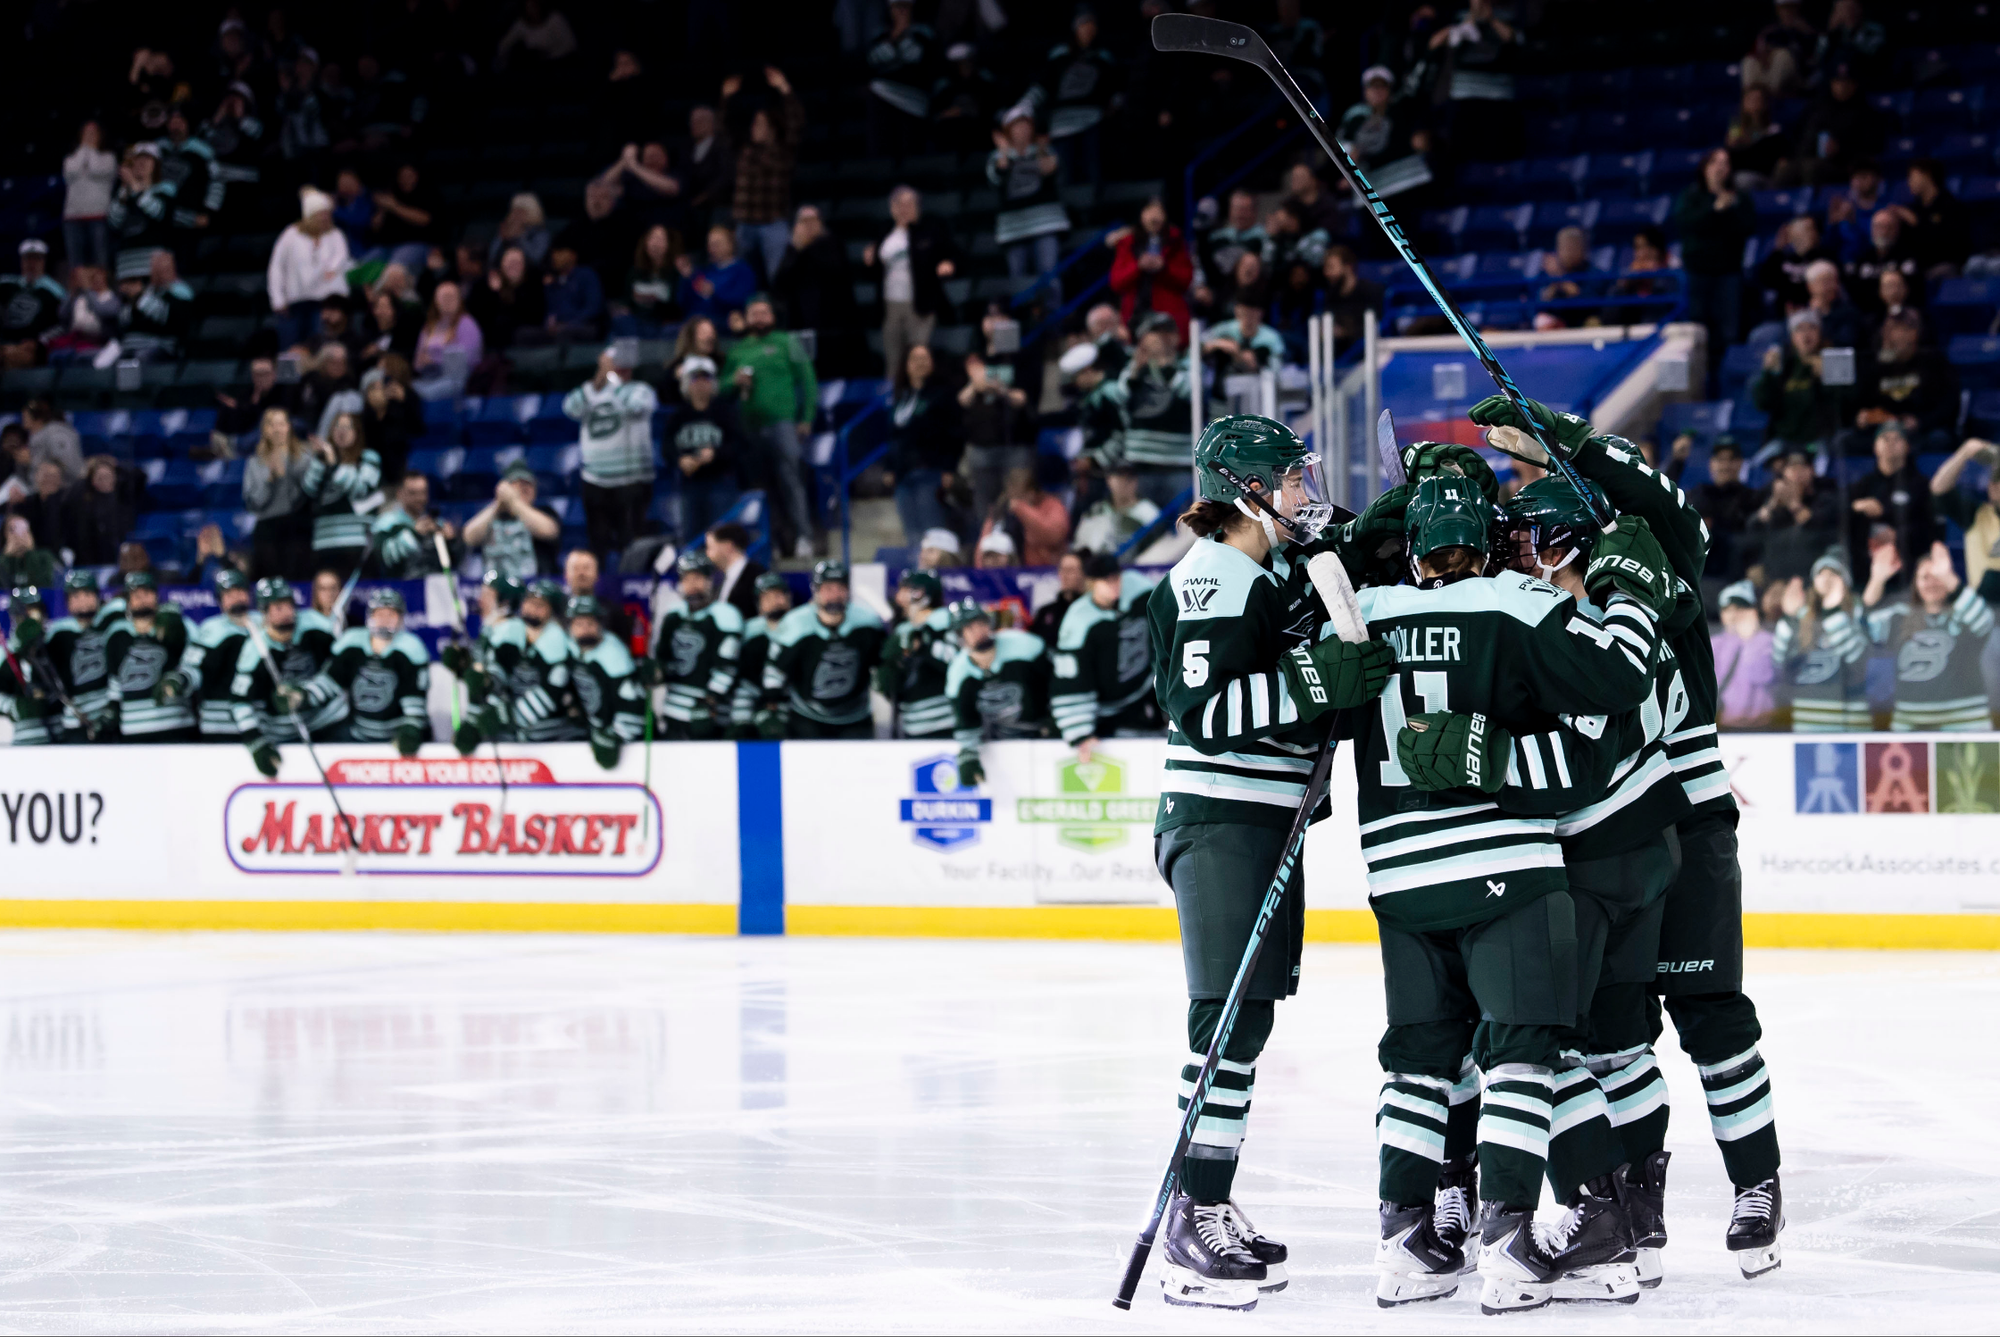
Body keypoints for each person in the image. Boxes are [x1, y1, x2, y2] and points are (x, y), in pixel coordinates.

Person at [1142, 416, 1397, 1308]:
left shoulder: (1271, 569)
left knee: (1244, 1023)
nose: (1304, 492)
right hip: (1221, 819)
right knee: (1224, 1019)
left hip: (1260, 820)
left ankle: (1209, 1195)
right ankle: (1190, 1216)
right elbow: (1204, 711)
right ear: (1247, 492)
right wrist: (1320, 680)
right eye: (1290, 479)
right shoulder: (1212, 575)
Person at [722, 295, 818, 559]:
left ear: (773, 317)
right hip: (750, 428)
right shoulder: (738, 350)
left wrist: (807, 418)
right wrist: (733, 381)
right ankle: (772, 542)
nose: (759, 318)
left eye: (764, 312)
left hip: (783, 423)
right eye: (754, 313)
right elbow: (721, 387)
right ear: (746, 318)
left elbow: (808, 380)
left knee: (791, 480)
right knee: (762, 487)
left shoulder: (788, 342)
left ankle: (804, 537)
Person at [1862, 541, 1992, 731]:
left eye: (1937, 576)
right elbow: (1860, 626)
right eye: (1924, 577)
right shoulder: (1899, 616)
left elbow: (1985, 621)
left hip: (1964, 721)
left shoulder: (1964, 612)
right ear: (1915, 583)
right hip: (1909, 722)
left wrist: (1949, 578)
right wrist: (1877, 580)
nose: (1931, 583)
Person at [233, 576, 350, 775]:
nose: (287, 613)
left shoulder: (317, 627)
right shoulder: (254, 650)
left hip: (329, 721)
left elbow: (339, 672)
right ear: (264, 613)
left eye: (289, 605)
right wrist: (255, 742)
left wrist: (305, 696)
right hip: (283, 734)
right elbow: (239, 701)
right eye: (278, 608)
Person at [1050, 551, 1159, 759]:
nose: (1114, 585)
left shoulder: (1140, 588)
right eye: (1106, 581)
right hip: (1106, 711)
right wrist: (1080, 731)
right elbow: (1070, 678)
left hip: (1147, 693)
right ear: (1091, 583)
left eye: (1116, 578)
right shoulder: (1078, 620)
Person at [759, 559, 884, 739]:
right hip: (807, 718)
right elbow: (775, 670)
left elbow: (882, 665)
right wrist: (771, 705)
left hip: (855, 717)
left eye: (840, 588)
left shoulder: (867, 622)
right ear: (816, 591)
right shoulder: (795, 624)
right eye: (828, 589)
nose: (834, 595)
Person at [564, 343, 660, 563]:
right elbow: (570, 408)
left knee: (632, 543)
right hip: (595, 479)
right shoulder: (590, 391)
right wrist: (598, 380)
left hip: (632, 480)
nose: (618, 367)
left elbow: (635, 407)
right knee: (598, 542)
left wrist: (613, 382)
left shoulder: (641, 390)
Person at [944, 597, 1052, 781]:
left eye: (981, 623)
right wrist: (969, 754)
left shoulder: (1024, 646)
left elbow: (1058, 683)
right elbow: (965, 718)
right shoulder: (959, 673)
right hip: (999, 745)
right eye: (970, 628)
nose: (979, 631)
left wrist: (1056, 724)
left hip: (1044, 737)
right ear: (960, 637)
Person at [1673, 148, 1756, 388]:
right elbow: (1685, 223)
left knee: (1729, 332)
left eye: (1725, 163)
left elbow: (1749, 226)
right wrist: (1715, 210)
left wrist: (1729, 209)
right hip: (1698, 273)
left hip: (1729, 273)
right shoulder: (1692, 196)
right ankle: (1700, 385)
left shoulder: (1739, 197)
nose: (1720, 167)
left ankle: (1729, 386)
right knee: (1698, 331)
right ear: (1704, 168)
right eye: (1715, 162)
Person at [864, 188, 963, 383]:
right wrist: (870, 261)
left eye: (910, 204)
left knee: (918, 356)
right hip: (890, 305)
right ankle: (894, 397)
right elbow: (874, 272)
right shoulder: (885, 232)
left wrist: (949, 263)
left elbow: (955, 254)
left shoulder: (931, 230)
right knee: (893, 359)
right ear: (892, 208)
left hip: (921, 305)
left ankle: (919, 395)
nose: (905, 208)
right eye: (900, 204)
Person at [648, 549, 744, 740]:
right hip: (673, 711)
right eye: (687, 579)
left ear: (710, 581)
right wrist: (654, 671)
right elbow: (664, 660)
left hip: (709, 715)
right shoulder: (673, 615)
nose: (692, 584)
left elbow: (727, 667)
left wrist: (710, 700)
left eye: (698, 578)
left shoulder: (725, 616)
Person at [1772, 551, 1870, 730]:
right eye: (1821, 574)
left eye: (1833, 574)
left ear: (1844, 582)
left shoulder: (1857, 611)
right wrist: (1789, 618)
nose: (1826, 579)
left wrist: (1833, 611)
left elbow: (1856, 661)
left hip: (1849, 723)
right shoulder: (1802, 616)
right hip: (1807, 719)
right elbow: (1778, 662)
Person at [725, 67, 805, 283]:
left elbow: (796, 122)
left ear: (772, 127)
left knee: (779, 277)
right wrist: (727, 98)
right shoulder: (743, 150)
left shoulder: (784, 151)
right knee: (741, 279)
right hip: (744, 223)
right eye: (754, 123)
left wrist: (784, 88)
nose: (754, 127)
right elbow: (725, 129)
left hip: (772, 223)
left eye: (760, 123)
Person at [98, 570, 194, 743]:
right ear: (128, 600)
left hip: (176, 726)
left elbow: (195, 664)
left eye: (147, 593)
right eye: (136, 595)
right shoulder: (116, 633)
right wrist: (112, 707)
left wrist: (180, 679)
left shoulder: (178, 625)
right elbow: (115, 680)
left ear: (156, 596)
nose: (142, 599)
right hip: (133, 730)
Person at [665, 357, 752, 542]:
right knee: (691, 536)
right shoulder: (678, 416)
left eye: (706, 378)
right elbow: (667, 447)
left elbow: (740, 445)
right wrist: (680, 459)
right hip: (690, 484)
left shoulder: (725, 412)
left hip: (721, 481)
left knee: (722, 535)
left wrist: (716, 454)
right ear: (686, 384)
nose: (701, 384)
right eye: (695, 378)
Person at [879, 344, 959, 547]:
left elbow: (953, 434)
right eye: (915, 359)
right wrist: (889, 467)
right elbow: (893, 436)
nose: (920, 363)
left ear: (933, 363)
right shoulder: (901, 397)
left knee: (933, 533)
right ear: (906, 365)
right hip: (903, 474)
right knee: (912, 534)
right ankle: (916, 566)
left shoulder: (942, 394)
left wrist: (949, 468)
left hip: (930, 471)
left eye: (924, 358)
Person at [1849, 310, 1957, 457]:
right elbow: (1858, 403)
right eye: (1885, 329)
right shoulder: (1873, 365)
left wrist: (1920, 422)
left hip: (1921, 432)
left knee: (1939, 439)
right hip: (1881, 432)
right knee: (1843, 441)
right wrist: (1861, 418)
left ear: (1912, 333)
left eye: (1893, 329)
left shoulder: (1934, 362)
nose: (1886, 335)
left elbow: (1949, 405)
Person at [988, 105, 1069, 300]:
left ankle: (1053, 316)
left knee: (1049, 275)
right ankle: (1023, 315)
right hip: (1014, 228)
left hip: (1045, 222)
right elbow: (996, 177)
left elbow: (1050, 170)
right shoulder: (997, 156)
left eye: (1026, 125)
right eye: (1017, 126)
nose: (1022, 130)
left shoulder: (1043, 150)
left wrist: (1041, 149)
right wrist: (1005, 152)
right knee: (1018, 279)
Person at [1751, 310, 1853, 459]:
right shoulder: (1783, 362)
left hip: (1822, 441)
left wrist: (1827, 377)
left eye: (1812, 327)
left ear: (1820, 333)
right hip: (1784, 442)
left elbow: (1847, 407)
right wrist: (1767, 373)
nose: (1806, 334)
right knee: (1756, 464)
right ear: (1792, 336)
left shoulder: (1834, 359)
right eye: (1799, 329)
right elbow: (1762, 404)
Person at [268, 188, 351, 353]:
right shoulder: (290, 235)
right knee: (290, 350)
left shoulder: (335, 235)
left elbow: (341, 259)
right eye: (321, 214)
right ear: (310, 215)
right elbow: (276, 267)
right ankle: (289, 371)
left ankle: (318, 371)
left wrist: (332, 269)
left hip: (324, 303)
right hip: (294, 303)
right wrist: (277, 299)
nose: (325, 218)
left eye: (327, 214)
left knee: (320, 348)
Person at [876, 569, 956, 740]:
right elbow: (888, 682)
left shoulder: (945, 623)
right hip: (912, 724)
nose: (898, 597)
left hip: (949, 722)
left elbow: (957, 667)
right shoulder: (903, 631)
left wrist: (925, 646)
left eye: (905, 590)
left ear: (920, 593)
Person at [299, 412, 379, 580]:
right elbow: (309, 491)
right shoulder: (322, 459)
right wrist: (320, 460)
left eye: (348, 427)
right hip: (325, 541)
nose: (342, 431)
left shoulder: (368, 458)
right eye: (337, 426)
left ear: (357, 432)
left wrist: (335, 465)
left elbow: (360, 489)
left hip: (357, 541)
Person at [770, 205, 854, 364]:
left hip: (831, 321)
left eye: (813, 220)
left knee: (832, 365)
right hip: (801, 320)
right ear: (796, 225)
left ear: (821, 223)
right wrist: (797, 249)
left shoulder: (833, 244)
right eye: (804, 221)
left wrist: (809, 247)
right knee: (803, 366)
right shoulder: (793, 249)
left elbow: (837, 273)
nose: (809, 225)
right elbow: (780, 285)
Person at [1745, 449, 1843, 585]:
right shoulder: (1772, 499)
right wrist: (1772, 504)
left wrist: (1793, 503)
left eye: (1802, 468)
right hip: (1775, 575)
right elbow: (1753, 529)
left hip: (1813, 572)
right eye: (1792, 468)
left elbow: (1813, 527)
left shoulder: (1825, 497)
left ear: (1812, 471)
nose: (1797, 473)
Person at [41, 571, 118, 740]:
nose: (82, 601)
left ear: (97, 596)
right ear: (67, 602)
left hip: (111, 714)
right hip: (76, 718)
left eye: (87, 594)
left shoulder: (111, 624)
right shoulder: (58, 634)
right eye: (76, 596)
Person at [183, 569, 256, 742]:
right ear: (220, 601)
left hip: (258, 722)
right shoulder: (211, 629)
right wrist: (179, 680)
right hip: (218, 723)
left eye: (240, 591)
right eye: (229, 594)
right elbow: (192, 668)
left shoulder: (263, 625)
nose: (236, 598)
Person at [1109, 197, 1193, 342]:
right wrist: (1138, 267)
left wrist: (1164, 268)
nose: (1154, 217)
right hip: (1135, 317)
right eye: (1149, 211)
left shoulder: (1175, 240)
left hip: (1169, 318)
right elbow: (1116, 282)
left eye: (1158, 211)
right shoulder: (1127, 242)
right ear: (1141, 214)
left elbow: (1186, 279)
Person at [462, 462, 561, 582]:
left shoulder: (545, 511)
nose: (524, 487)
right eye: (518, 483)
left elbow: (549, 531)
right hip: (497, 585)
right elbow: (469, 537)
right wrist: (498, 504)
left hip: (533, 585)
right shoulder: (492, 514)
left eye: (528, 483)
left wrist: (515, 503)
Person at [241, 407, 309, 580]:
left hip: (297, 528)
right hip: (267, 530)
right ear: (264, 429)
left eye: (282, 424)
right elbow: (254, 503)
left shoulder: (303, 457)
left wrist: (289, 469)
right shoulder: (255, 463)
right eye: (272, 424)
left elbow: (306, 494)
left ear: (289, 427)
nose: (277, 429)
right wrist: (270, 480)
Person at [1680, 436, 1760, 583]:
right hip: (1702, 572)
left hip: (1737, 572)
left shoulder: (1752, 498)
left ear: (1740, 463)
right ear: (1711, 463)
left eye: (1731, 460)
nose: (1725, 466)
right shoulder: (1700, 493)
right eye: (1720, 460)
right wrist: (1677, 462)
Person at [730, 572, 792, 738]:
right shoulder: (748, 630)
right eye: (767, 598)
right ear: (759, 604)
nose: (774, 602)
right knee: (738, 731)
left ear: (788, 598)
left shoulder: (799, 627)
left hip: (786, 696)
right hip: (749, 692)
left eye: (778, 595)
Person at [1713, 580, 1780, 729]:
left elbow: (1765, 676)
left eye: (1739, 609)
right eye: (1727, 610)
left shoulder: (1769, 641)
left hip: (1763, 726)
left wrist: (1748, 640)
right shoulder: (1714, 644)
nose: (1733, 615)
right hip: (1723, 725)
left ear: (1753, 612)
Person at [370, 472, 459, 579]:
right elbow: (387, 558)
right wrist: (415, 534)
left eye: (423, 492)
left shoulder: (437, 523)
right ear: (400, 494)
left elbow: (454, 562)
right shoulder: (387, 523)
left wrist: (451, 541)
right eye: (413, 493)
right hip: (399, 584)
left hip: (433, 584)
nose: (420, 498)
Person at [62, 454, 144, 568]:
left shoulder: (123, 496)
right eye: (100, 478)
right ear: (92, 481)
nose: (104, 481)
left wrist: (117, 466)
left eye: (108, 476)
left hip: (123, 554)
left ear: (115, 477)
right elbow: (69, 498)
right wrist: (85, 475)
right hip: (95, 557)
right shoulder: (87, 503)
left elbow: (140, 477)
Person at [0, 585, 55, 746]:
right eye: (24, 614)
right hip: (24, 740)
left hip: (61, 735)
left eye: (34, 612)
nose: (29, 619)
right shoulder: (6, 653)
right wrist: (14, 707)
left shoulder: (53, 641)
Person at [1073, 461, 1162, 557]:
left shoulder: (1150, 513)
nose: (1124, 482)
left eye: (1129, 477)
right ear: (1109, 479)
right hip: (1097, 564)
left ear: (1136, 481)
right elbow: (1080, 545)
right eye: (1119, 476)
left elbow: (1158, 553)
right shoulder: (1095, 511)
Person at [63, 121, 117, 274]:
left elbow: (95, 169)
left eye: (93, 133)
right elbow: (71, 172)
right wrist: (84, 150)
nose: (89, 137)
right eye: (86, 133)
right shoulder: (71, 159)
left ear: (100, 136)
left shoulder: (108, 158)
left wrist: (91, 150)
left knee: (100, 264)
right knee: (76, 266)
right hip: (73, 218)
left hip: (98, 217)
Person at [0, 241, 67, 367]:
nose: (31, 263)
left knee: (11, 358)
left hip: (32, 348)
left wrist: (40, 341)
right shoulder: (7, 285)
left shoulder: (55, 291)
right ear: (21, 260)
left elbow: (64, 324)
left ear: (44, 261)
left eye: (36, 259)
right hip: (5, 342)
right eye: (27, 258)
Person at [469, 244, 546, 351]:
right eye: (510, 263)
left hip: (524, 338)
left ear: (524, 266)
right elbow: (479, 318)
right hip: (492, 341)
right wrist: (495, 294)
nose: (513, 267)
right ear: (501, 265)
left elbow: (535, 317)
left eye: (517, 263)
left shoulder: (533, 285)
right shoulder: (485, 285)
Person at [674, 226, 756, 326]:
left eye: (717, 244)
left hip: (723, 322)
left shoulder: (743, 270)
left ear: (730, 244)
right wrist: (686, 279)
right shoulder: (704, 271)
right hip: (695, 321)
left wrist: (714, 293)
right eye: (710, 245)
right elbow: (684, 303)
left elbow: (742, 300)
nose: (712, 249)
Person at [414, 281, 482, 399]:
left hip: (457, 380)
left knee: (422, 395)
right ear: (436, 300)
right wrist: (423, 363)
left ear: (459, 300)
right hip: (428, 377)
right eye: (444, 297)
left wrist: (435, 360)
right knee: (407, 390)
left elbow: (467, 360)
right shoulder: (429, 326)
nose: (447, 300)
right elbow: (417, 362)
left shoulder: (467, 324)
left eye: (451, 297)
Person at [1904, 158, 1970, 277]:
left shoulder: (1950, 206)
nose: (1909, 182)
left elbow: (1952, 246)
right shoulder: (1913, 208)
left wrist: (1918, 223)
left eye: (1912, 177)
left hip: (1943, 263)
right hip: (1916, 265)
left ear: (1927, 175)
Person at [1201, 298, 1288, 375]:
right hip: (1224, 380)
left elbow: (1276, 370)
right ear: (1237, 311)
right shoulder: (1224, 329)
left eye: (1252, 314)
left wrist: (1237, 352)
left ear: (1261, 313)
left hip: (1260, 382)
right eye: (1245, 313)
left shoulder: (1272, 338)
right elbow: (1200, 344)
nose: (1248, 319)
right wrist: (1218, 343)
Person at [543, 242, 604, 342]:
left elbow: (593, 308)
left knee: (564, 333)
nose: (556, 256)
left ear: (573, 255)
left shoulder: (586, 275)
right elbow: (551, 311)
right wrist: (549, 322)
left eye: (561, 252)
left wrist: (570, 323)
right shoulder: (552, 282)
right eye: (555, 253)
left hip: (585, 326)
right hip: (558, 328)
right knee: (525, 334)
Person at [19, 399, 84, 486]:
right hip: (39, 489)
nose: (23, 420)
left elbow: (70, 465)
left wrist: (32, 460)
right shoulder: (35, 435)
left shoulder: (57, 434)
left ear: (38, 418)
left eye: (26, 416)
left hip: (63, 489)